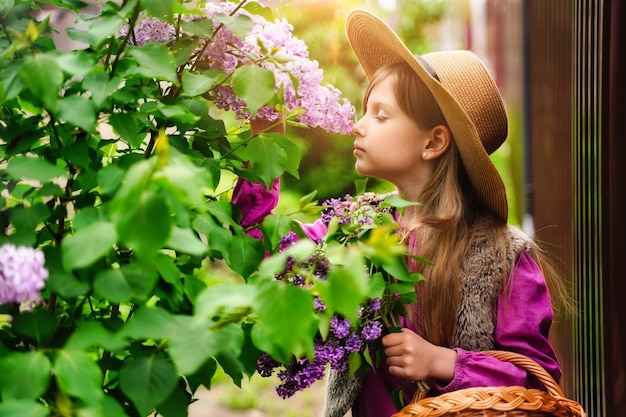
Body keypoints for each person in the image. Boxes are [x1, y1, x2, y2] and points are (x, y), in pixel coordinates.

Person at [232, 8, 571, 417]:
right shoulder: (355, 229)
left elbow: (538, 384)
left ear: (433, 142)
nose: (358, 126)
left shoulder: (502, 258)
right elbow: (270, 256)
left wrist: (441, 362)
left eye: (380, 115)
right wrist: (262, 142)